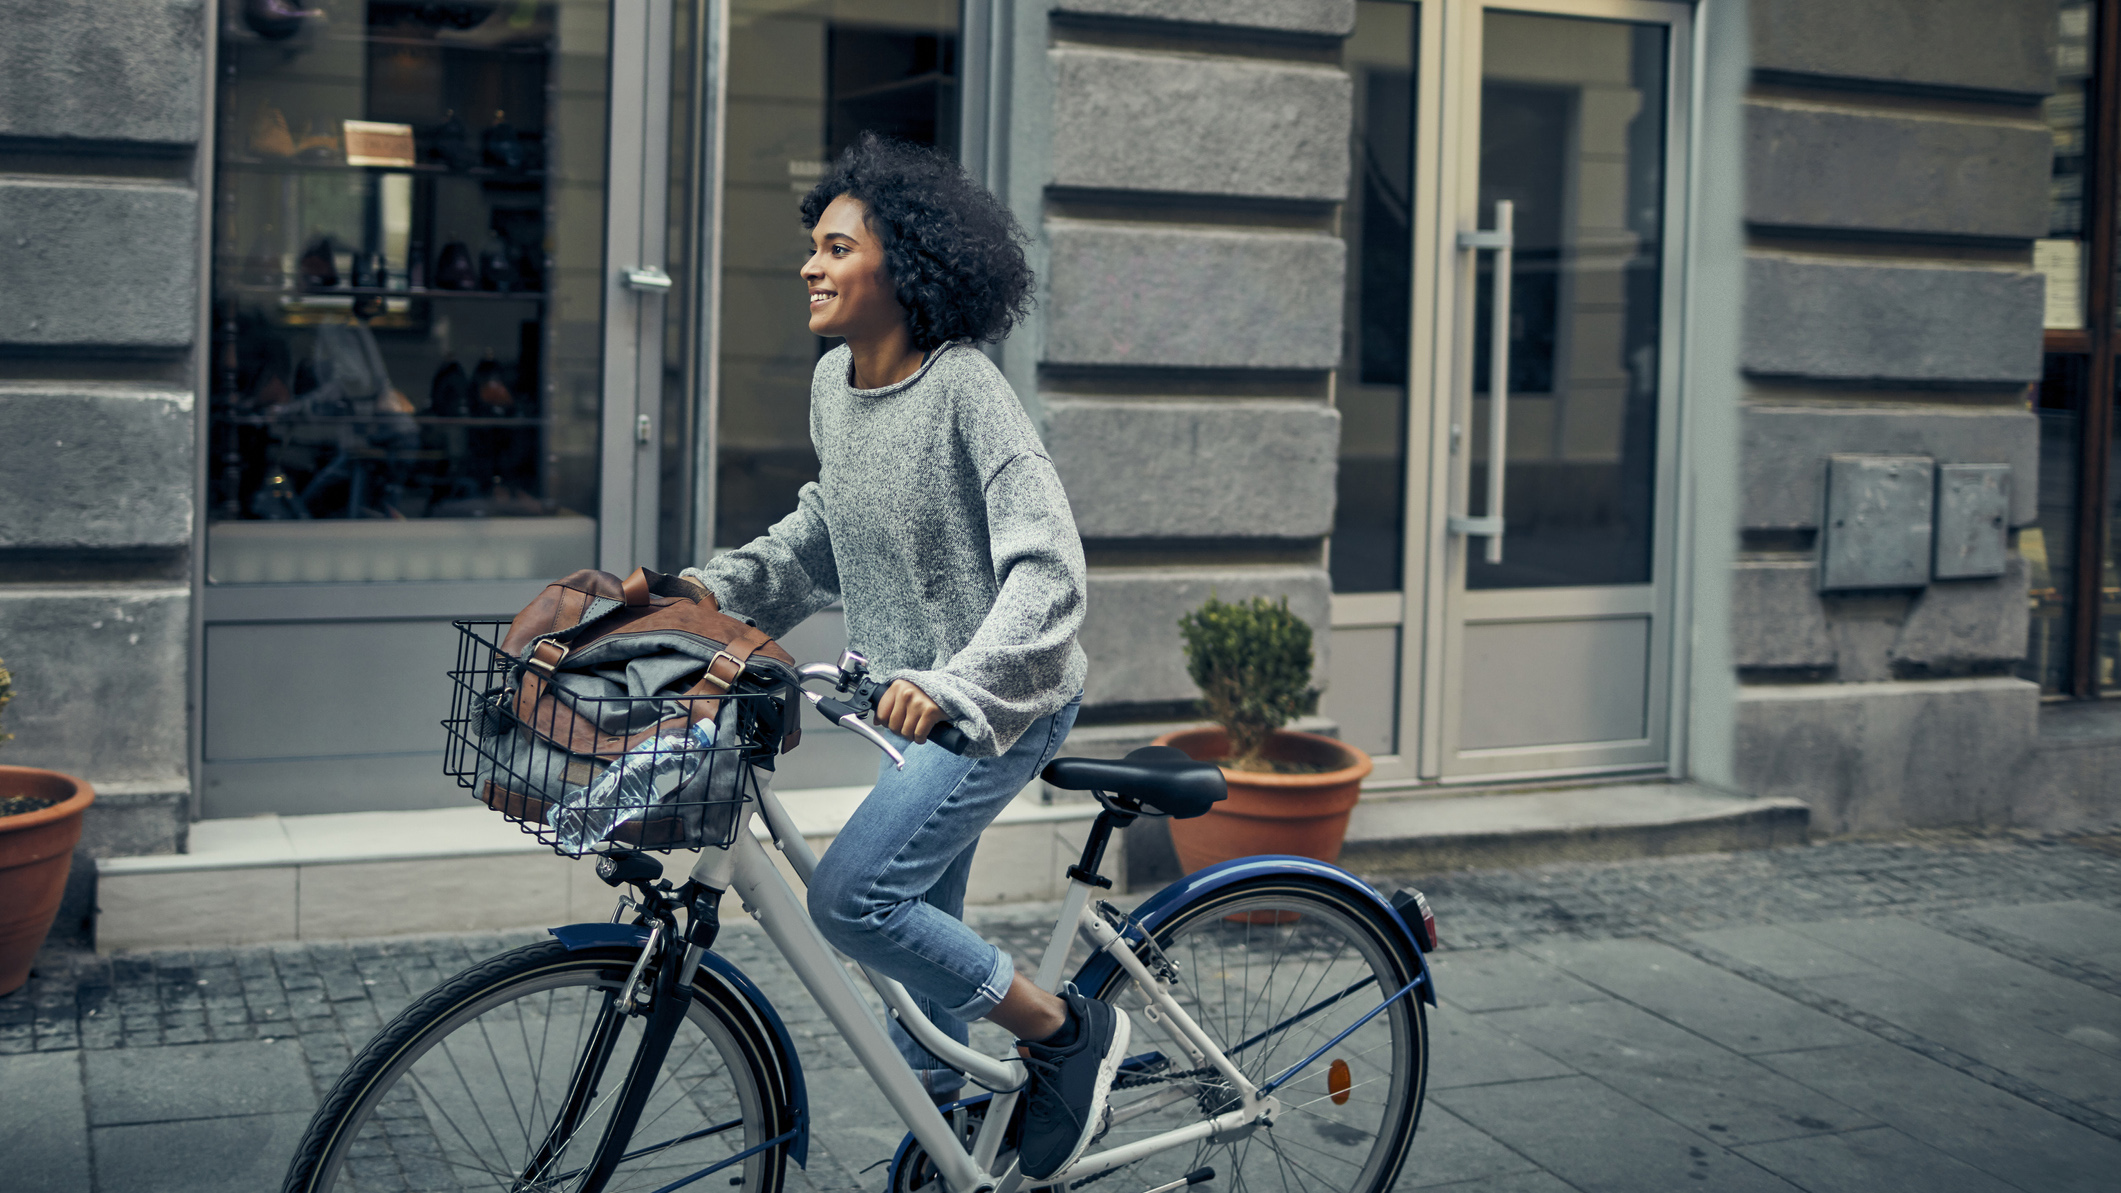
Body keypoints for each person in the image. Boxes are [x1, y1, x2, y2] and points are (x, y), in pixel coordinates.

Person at [680, 133, 1124, 1181]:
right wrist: (699, 594)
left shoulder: (969, 390)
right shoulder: (836, 384)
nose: (810, 265)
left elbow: (1051, 573)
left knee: (854, 899)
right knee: (919, 940)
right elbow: (823, 537)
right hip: (912, 709)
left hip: (1001, 699)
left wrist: (957, 681)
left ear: (906, 267)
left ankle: (1066, 1033)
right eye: (814, 247)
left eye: (837, 246)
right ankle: (943, 1155)